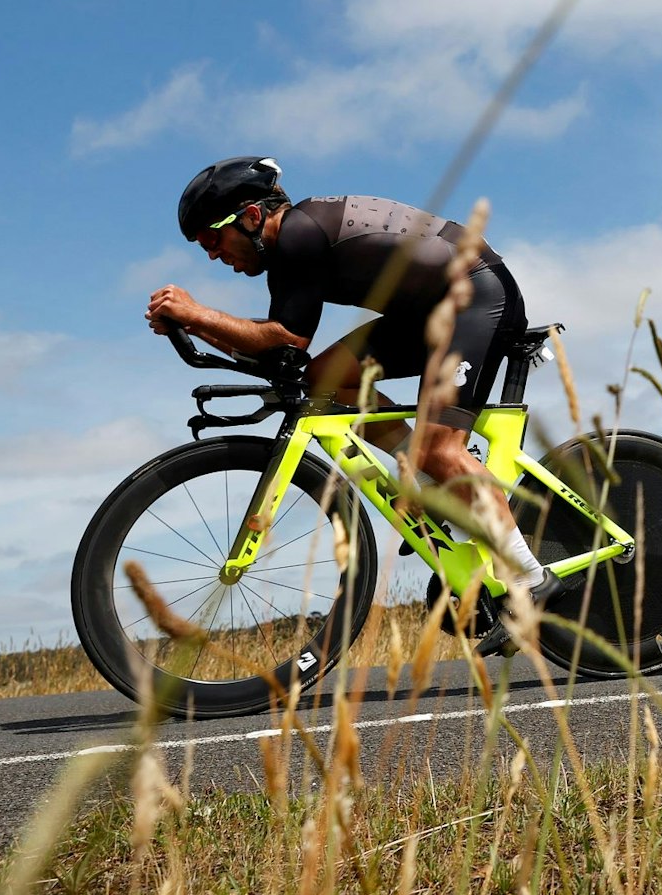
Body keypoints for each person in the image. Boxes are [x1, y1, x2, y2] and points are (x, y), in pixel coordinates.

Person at [147, 156, 557, 653]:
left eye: (212, 240)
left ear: (252, 217)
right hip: (427, 311)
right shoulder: (287, 254)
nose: (213, 256)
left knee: (440, 449)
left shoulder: (298, 235)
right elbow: (282, 354)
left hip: (476, 296)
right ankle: (425, 475)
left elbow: (285, 339)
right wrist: (195, 324)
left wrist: (196, 313)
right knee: (327, 380)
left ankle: (529, 582)